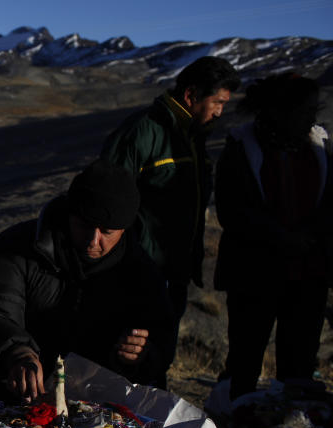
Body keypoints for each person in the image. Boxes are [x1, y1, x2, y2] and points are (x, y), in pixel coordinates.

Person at [0, 160, 175, 401]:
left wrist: (140, 356)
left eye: (106, 232)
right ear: (70, 214)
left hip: (101, 404)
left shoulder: (141, 272)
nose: (93, 241)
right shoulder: (18, 248)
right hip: (15, 396)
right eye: (85, 226)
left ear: (124, 229)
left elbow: (162, 339)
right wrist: (16, 351)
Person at [101, 56, 241, 363]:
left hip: (175, 271)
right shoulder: (143, 132)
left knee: (159, 355)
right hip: (138, 271)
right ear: (191, 96)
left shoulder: (193, 139)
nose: (220, 111)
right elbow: (105, 199)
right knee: (131, 359)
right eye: (216, 102)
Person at [214, 73, 332, 400]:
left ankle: (290, 426)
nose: (312, 116)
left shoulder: (319, 147)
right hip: (255, 273)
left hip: (308, 274)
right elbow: (234, 211)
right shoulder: (242, 148)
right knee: (245, 355)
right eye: (305, 109)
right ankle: (235, 419)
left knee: (300, 359)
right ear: (281, 111)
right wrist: (279, 237)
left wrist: (314, 238)